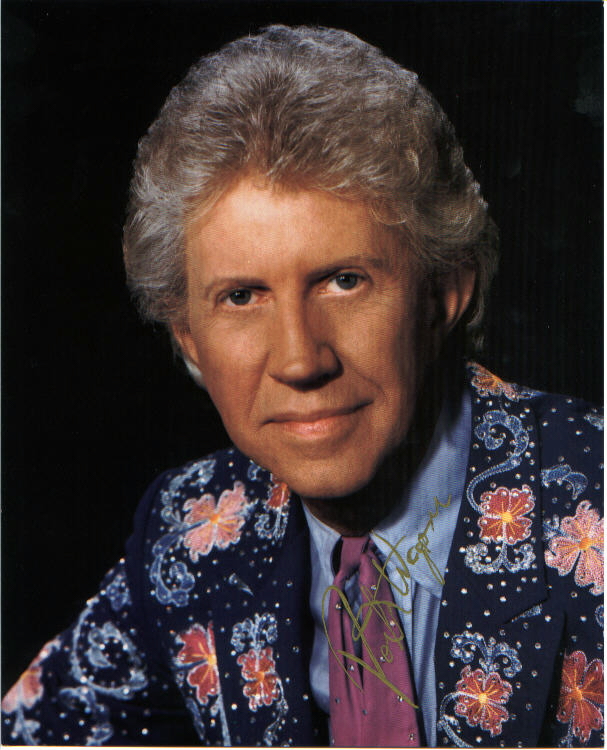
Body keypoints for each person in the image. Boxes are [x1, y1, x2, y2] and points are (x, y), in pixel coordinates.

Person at [2, 24, 603, 748]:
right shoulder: (192, 532)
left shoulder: (594, 505)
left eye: (344, 281)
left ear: (445, 293)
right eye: (241, 297)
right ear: (188, 336)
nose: (298, 360)